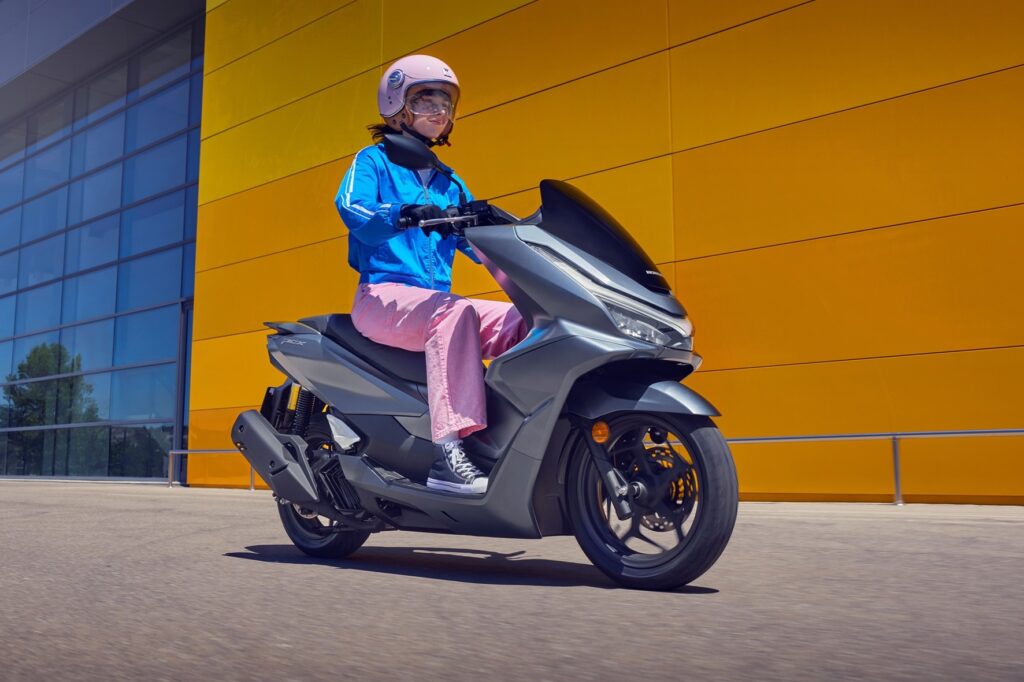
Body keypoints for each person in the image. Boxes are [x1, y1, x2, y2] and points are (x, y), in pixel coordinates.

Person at [334, 55, 527, 495]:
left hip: (435, 304)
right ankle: (448, 453)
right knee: (453, 313)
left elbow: (480, 244)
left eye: (445, 102)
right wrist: (401, 213)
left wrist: (519, 244)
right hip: (381, 297)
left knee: (528, 320)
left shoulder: (449, 182)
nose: (439, 110)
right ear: (396, 105)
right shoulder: (373, 161)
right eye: (425, 100)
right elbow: (352, 208)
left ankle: (517, 435)